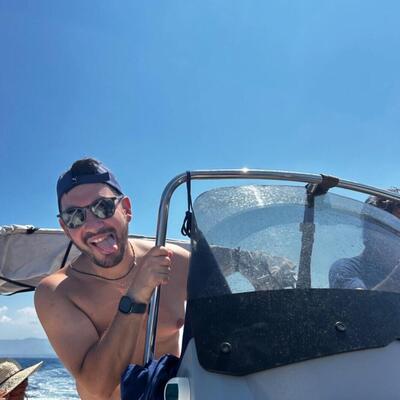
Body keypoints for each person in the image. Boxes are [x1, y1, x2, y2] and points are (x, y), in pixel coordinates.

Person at [34, 158, 189, 400]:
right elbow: (98, 388)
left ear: (126, 209)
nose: (93, 225)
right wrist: (136, 296)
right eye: (75, 216)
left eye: (102, 207)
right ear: (65, 228)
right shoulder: (57, 293)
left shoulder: (177, 262)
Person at [329, 188, 400, 290]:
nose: (397, 237)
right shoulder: (345, 269)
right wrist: (394, 280)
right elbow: (359, 300)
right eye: (393, 229)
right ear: (369, 231)